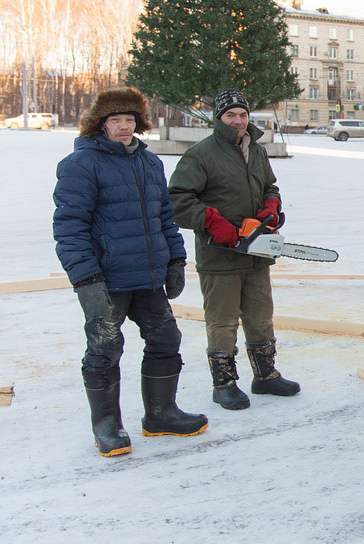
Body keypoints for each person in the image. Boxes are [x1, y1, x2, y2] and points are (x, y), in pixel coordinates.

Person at [53, 87, 208, 457]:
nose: (124, 127)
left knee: (166, 339)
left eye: (130, 120)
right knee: (105, 347)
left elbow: (164, 219)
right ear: (100, 123)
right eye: (116, 120)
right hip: (105, 278)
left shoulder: (149, 162)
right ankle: (107, 425)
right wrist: (86, 280)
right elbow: (69, 227)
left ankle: (161, 414)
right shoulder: (81, 164)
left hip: (148, 275)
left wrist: (174, 259)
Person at [168, 89, 300, 410]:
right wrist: (215, 223)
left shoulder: (256, 151)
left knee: (260, 315)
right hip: (219, 255)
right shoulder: (201, 154)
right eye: (231, 115)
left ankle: (265, 375)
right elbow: (177, 199)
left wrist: (271, 207)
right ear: (219, 118)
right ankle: (224, 383)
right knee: (222, 320)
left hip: (257, 251)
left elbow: (270, 185)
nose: (238, 121)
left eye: (243, 115)